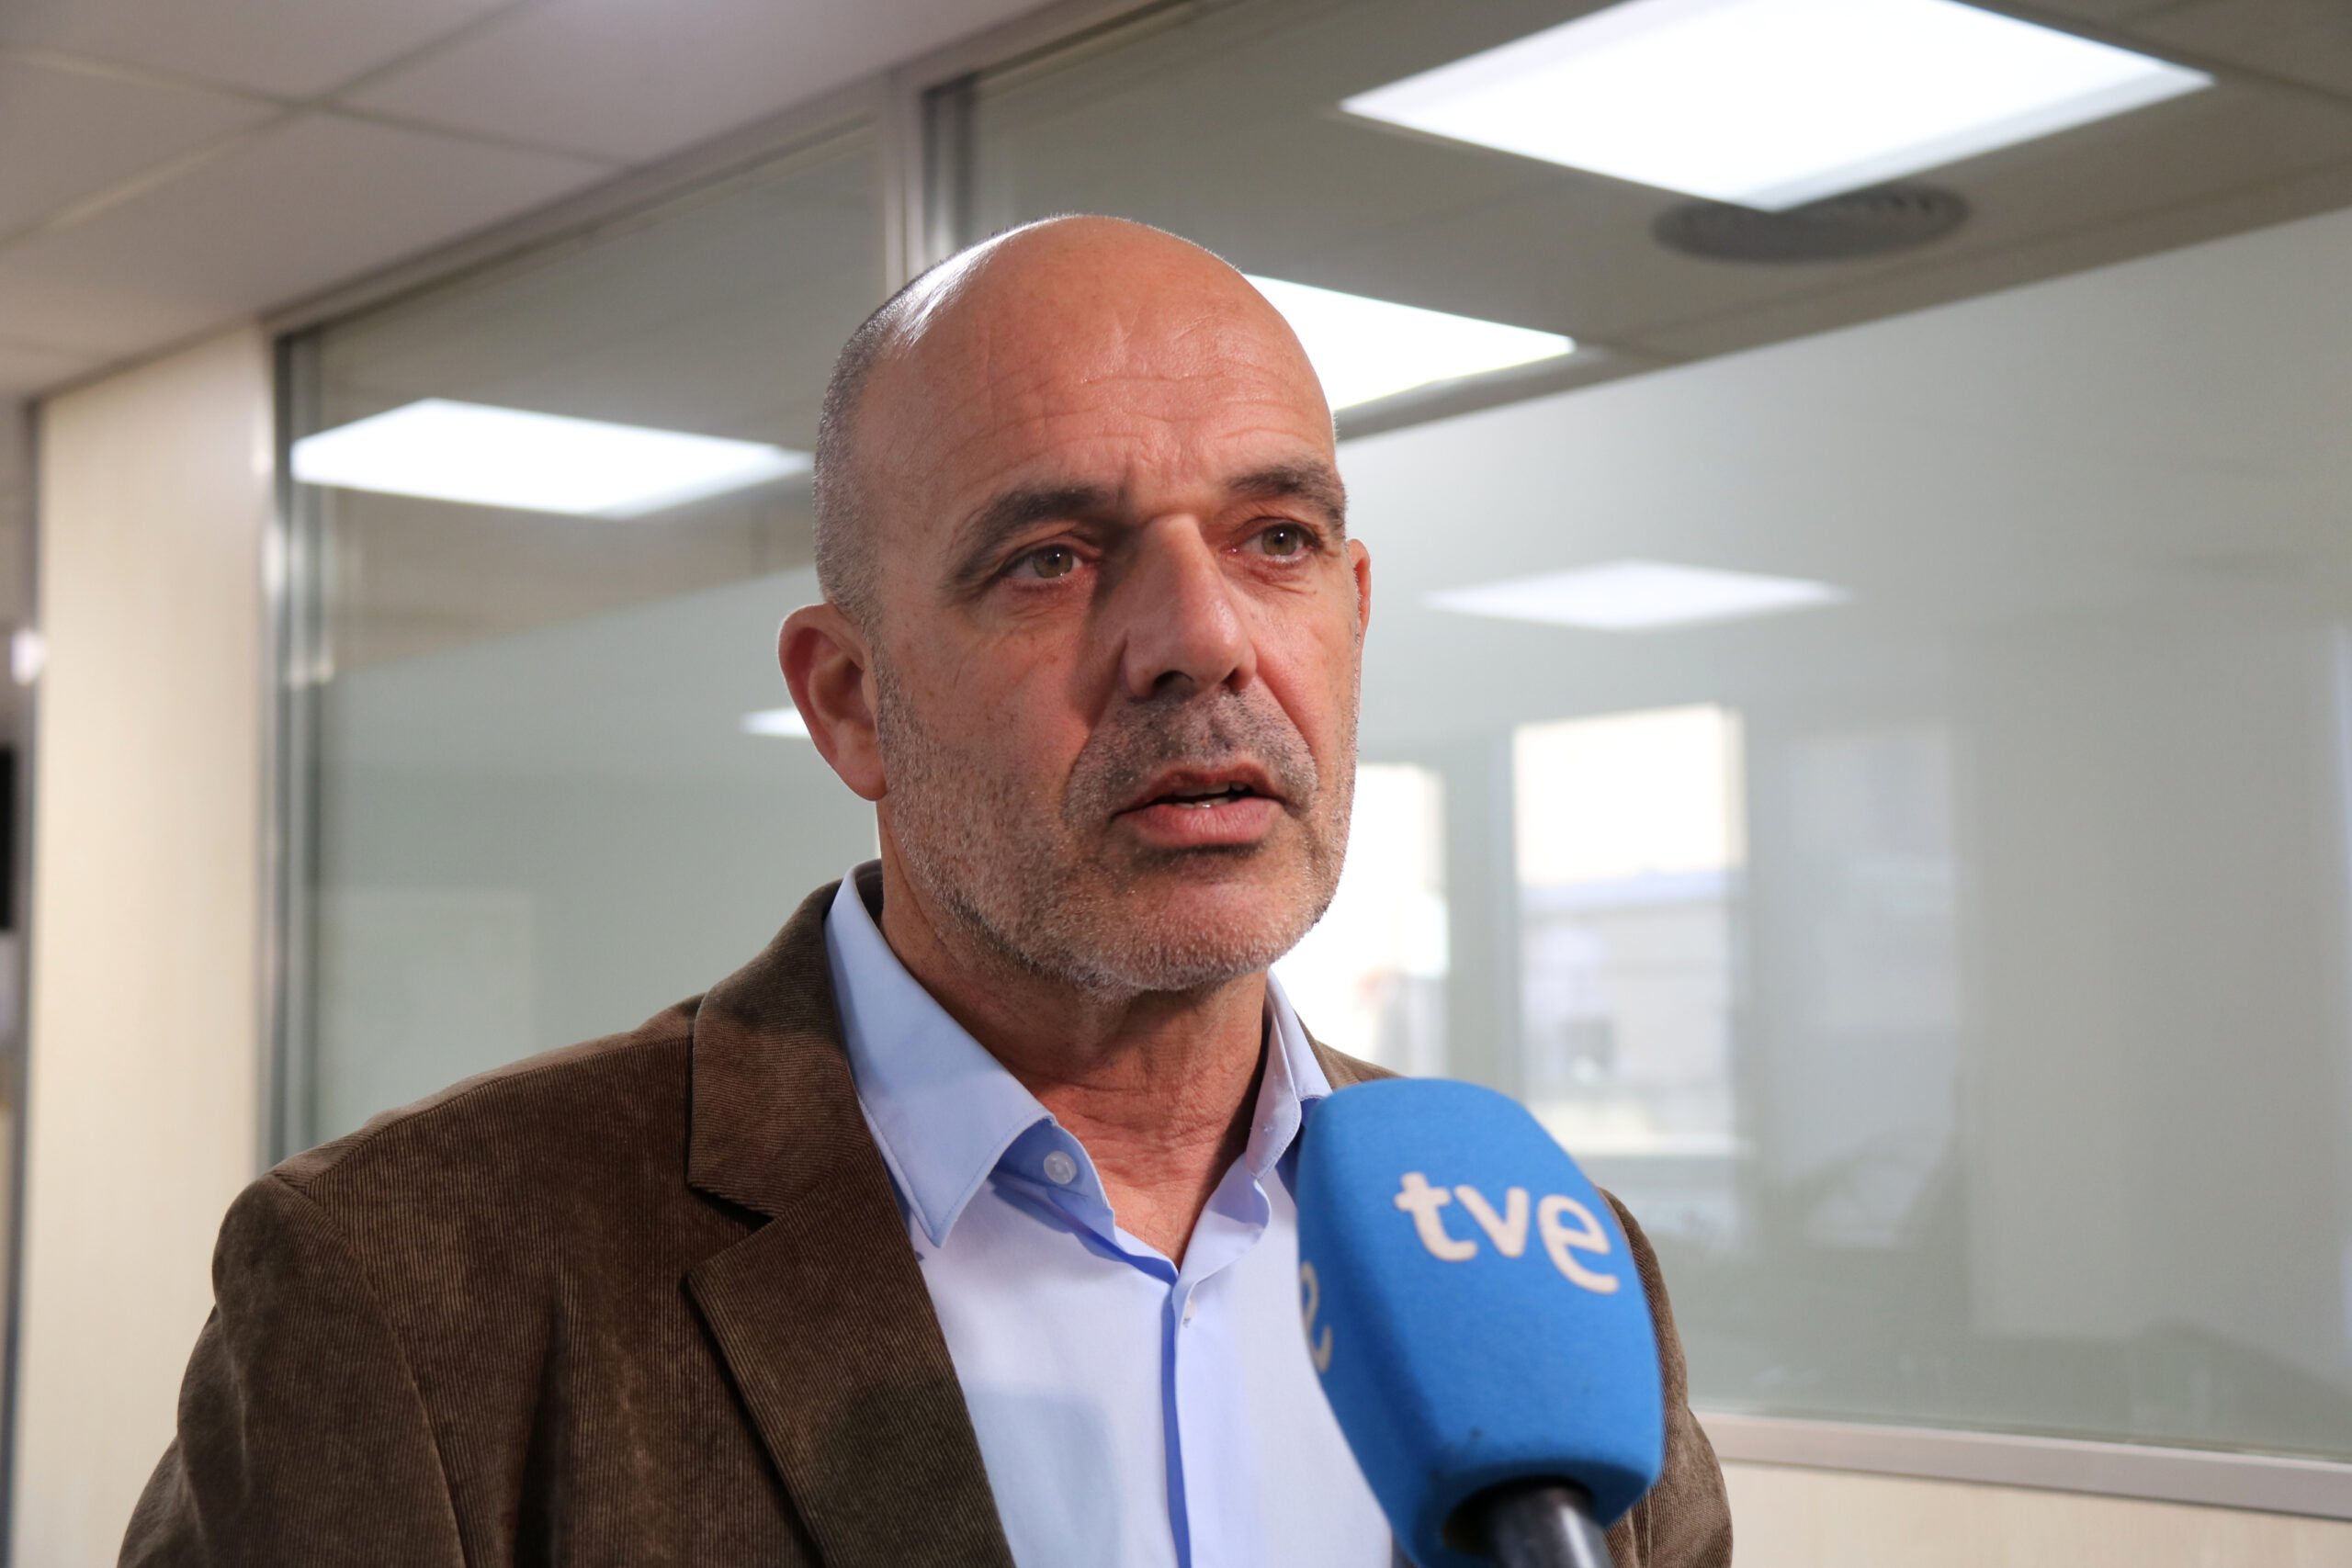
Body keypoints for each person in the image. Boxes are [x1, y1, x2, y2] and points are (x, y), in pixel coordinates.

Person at [122, 217, 1731, 1567]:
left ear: (1354, 610)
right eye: (1051, 557)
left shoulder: (1547, 1269)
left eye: (1277, 538)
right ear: (850, 702)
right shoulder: (403, 1289)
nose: (1202, 637)